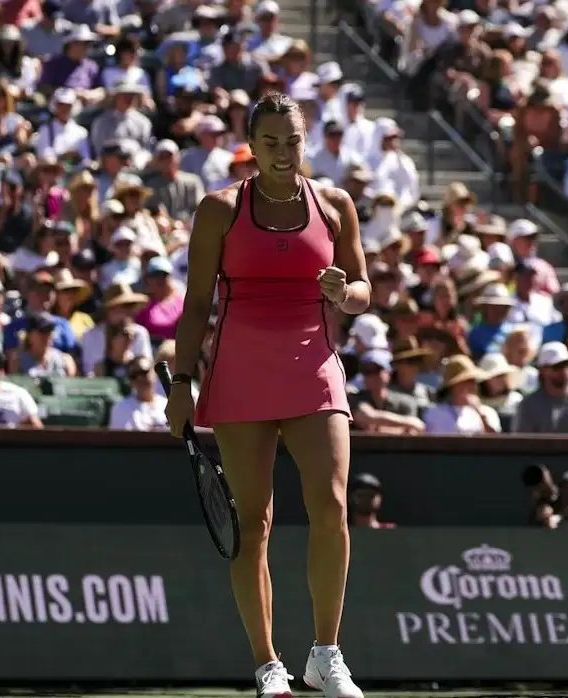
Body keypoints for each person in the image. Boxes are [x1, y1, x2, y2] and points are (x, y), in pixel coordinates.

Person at [164, 92, 369, 698]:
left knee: (332, 505)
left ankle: (325, 656)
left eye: (293, 141)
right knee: (253, 524)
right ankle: (268, 664)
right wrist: (181, 383)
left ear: (307, 141)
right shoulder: (219, 209)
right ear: (252, 146)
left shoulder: (335, 204)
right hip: (240, 374)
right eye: (270, 142)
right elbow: (195, 305)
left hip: (314, 369)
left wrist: (344, 293)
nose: (283, 152)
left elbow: (363, 290)